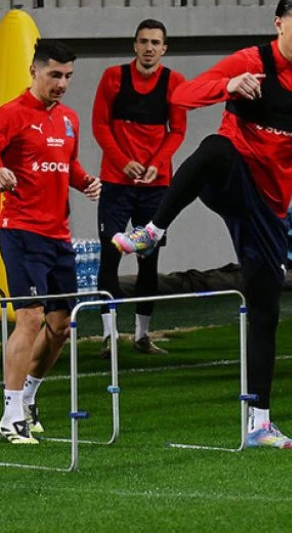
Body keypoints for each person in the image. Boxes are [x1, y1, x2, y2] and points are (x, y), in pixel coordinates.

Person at [112, 0, 292, 449]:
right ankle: (152, 232)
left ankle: (259, 423)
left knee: (266, 308)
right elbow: (182, 95)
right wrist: (227, 86)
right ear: (278, 24)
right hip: (232, 176)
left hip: (269, 205)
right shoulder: (250, 60)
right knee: (215, 147)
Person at [0, 40, 101, 444]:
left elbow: (66, 164)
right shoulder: (11, 114)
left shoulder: (69, 119)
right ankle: (10, 416)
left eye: (68, 76)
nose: (62, 83)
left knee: (60, 327)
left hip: (59, 237)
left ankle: (28, 398)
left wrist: (85, 182)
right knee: (29, 318)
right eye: (55, 75)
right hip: (22, 232)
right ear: (34, 71)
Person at [92, 19, 187, 358]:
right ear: (134, 45)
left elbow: (178, 130)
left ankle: (142, 336)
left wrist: (157, 164)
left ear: (164, 48)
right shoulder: (113, 77)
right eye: (143, 41)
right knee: (110, 254)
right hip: (117, 184)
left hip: (155, 187)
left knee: (149, 258)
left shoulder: (174, 82)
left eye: (155, 42)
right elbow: (100, 125)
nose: (149, 48)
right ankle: (109, 335)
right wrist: (122, 162)